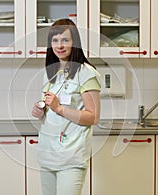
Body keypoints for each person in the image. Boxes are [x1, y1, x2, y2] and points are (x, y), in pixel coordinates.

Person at [32, 18, 101, 195]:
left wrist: (59, 108)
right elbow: (50, 109)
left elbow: (93, 117)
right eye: (55, 40)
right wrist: (40, 111)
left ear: (74, 43)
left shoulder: (86, 73)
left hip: (71, 157)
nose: (59, 45)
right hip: (48, 154)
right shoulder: (51, 73)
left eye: (65, 40)